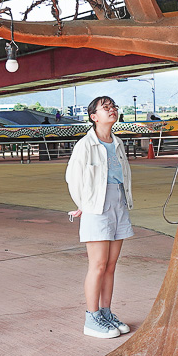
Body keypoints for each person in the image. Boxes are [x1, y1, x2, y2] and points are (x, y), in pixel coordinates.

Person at [66, 96, 134, 339]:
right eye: (105, 108)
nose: (111, 110)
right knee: (97, 265)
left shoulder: (117, 143)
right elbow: (73, 178)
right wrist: (83, 204)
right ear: (94, 117)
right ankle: (91, 317)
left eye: (113, 106)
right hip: (97, 207)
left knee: (111, 266)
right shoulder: (85, 145)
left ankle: (106, 313)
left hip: (118, 203)